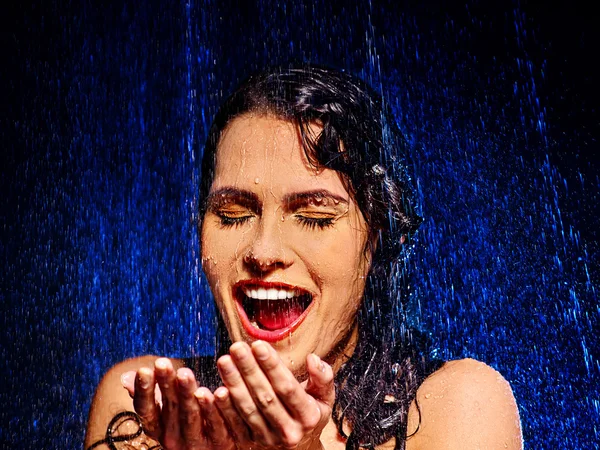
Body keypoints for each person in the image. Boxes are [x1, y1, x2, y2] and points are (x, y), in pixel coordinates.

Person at [85, 64, 522, 450]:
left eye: (314, 216)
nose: (263, 251)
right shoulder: (141, 406)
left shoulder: (459, 405)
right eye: (233, 214)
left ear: (379, 237)